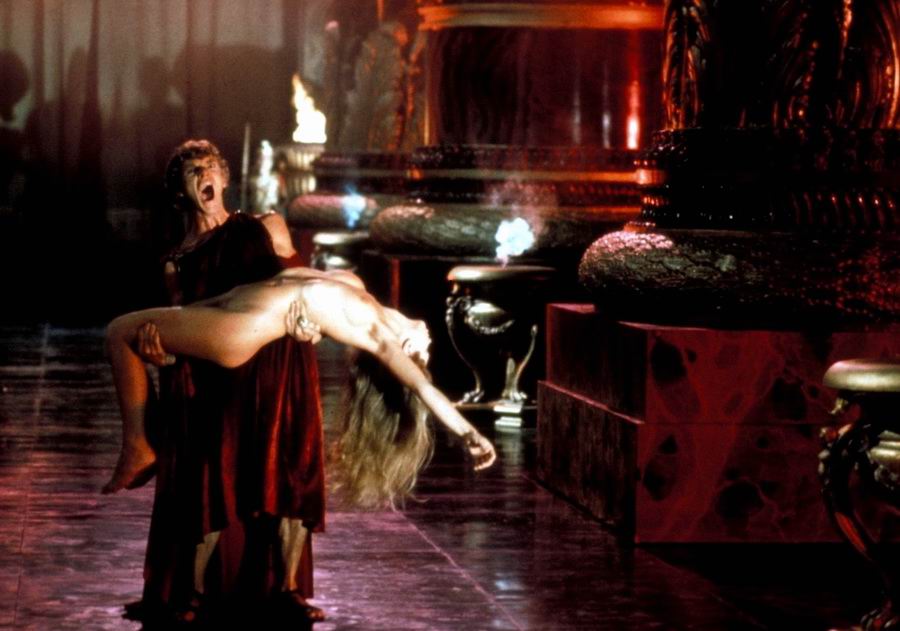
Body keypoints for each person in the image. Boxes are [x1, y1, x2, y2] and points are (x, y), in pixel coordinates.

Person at [103, 266, 497, 506]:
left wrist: (469, 434)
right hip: (232, 302)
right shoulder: (362, 294)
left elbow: (424, 390)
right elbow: (318, 306)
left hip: (239, 328)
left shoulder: (378, 334)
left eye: (420, 360)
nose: (427, 346)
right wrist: (314, 331)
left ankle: (139, 446)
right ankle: (153, 409)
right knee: (142, 336)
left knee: (118, 332)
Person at [131, 139, 325, 625]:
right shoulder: (177, 260)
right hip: (221, 377)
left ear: (224, 178)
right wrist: (160, 355)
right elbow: (179, 327)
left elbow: (301, 286)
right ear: (180, 191)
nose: (205, 175)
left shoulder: (265, 227)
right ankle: (192, 592)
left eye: (211, 167)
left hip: (280, 366)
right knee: (212, 477)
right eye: (193, 170)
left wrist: (316, 322)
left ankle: (287, 589)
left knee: (289, 471)